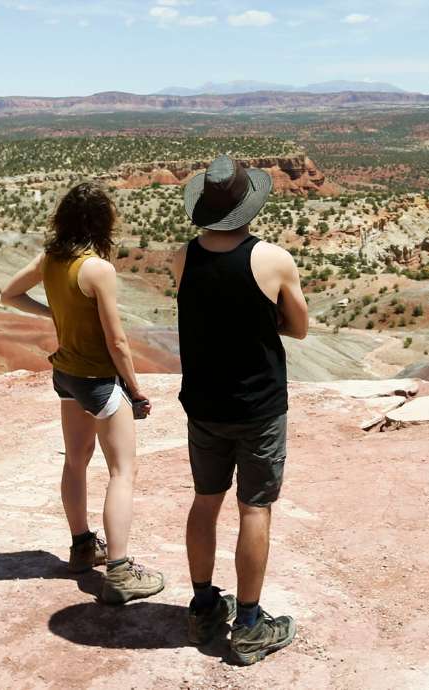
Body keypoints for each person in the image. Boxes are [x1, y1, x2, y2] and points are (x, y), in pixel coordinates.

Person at [1, 181, 164, 605]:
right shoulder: (97, 269)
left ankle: (82, 546)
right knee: (122, 472)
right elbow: (118, 342)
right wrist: (135, 388)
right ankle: (121, 572)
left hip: (66, 375)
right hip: (99, 380)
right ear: (102, 222)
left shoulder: (51, 259)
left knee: (76, 462)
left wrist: (52, 311)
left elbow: (9, 294)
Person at [172, 155, 308, 665]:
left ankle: (204, 606)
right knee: (254, 508)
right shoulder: (271, 259)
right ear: (249, 206)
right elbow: (298, 328)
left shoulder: (182, 256)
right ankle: (249, 624)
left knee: (206, 500)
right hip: (258, 407)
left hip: (203, 404)